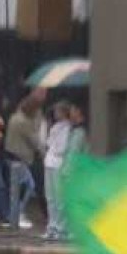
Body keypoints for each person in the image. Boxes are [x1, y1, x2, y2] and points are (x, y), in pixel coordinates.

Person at [3, 89, 45, 230]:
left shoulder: (15, 117)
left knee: (18, 187)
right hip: (19, 158)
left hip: (11, 156)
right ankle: (17, 215)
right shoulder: (24, 122)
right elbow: (34, 141)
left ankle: (14, 215)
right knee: (28, 186)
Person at [42, 100, 75, 241]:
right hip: (49, 163)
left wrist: (53, 145)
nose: (55, 113)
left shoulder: (68, 128)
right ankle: (52, 226)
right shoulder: (55, 127)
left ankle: (62, 228)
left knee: (59, 197)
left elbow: (61, 147)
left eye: (58, 111)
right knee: (50, 197)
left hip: (58, 164)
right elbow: (47, 143)